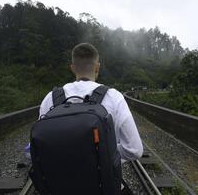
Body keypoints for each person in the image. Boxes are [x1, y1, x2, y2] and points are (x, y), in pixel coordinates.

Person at [32, 43, 143, 194]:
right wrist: (102, 151)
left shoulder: (50, 99)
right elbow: (135, 150)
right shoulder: (114, 97)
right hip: (103, 187)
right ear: (97, 67)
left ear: (72, 67)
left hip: (60, 187)